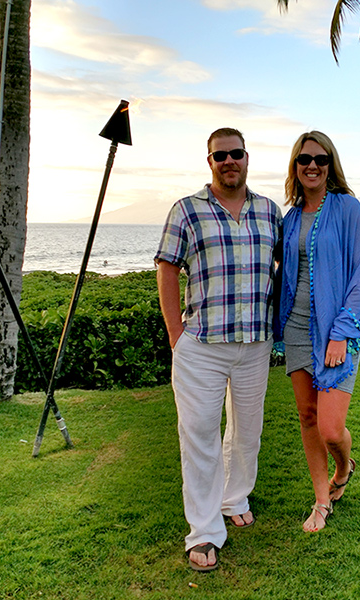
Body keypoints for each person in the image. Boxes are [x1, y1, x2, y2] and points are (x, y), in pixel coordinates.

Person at [154, 128, 282, 571]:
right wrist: (175, 334)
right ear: (209, 161)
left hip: (255, 342)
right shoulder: (187, 210)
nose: (229, 161)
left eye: (236, 153)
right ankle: (205, 532)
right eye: (220, 155)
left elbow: (283, 267)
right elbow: (167, 268)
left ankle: (235, 496)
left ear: (248, 158)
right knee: (200, 435)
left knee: (247, 431)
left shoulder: (269, 211)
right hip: (202, 344)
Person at [275, 131, 360, 532]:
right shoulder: (289, 217)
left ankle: (343, 466)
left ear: (330, 163)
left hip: (338, 330)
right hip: (297, 327)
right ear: (295, 167)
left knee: (331, 427)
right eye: (304, 160)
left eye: (320, 158)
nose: (312, 165)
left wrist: (341, 331)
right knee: (307, 415)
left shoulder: (348, 208)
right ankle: (321, 500)